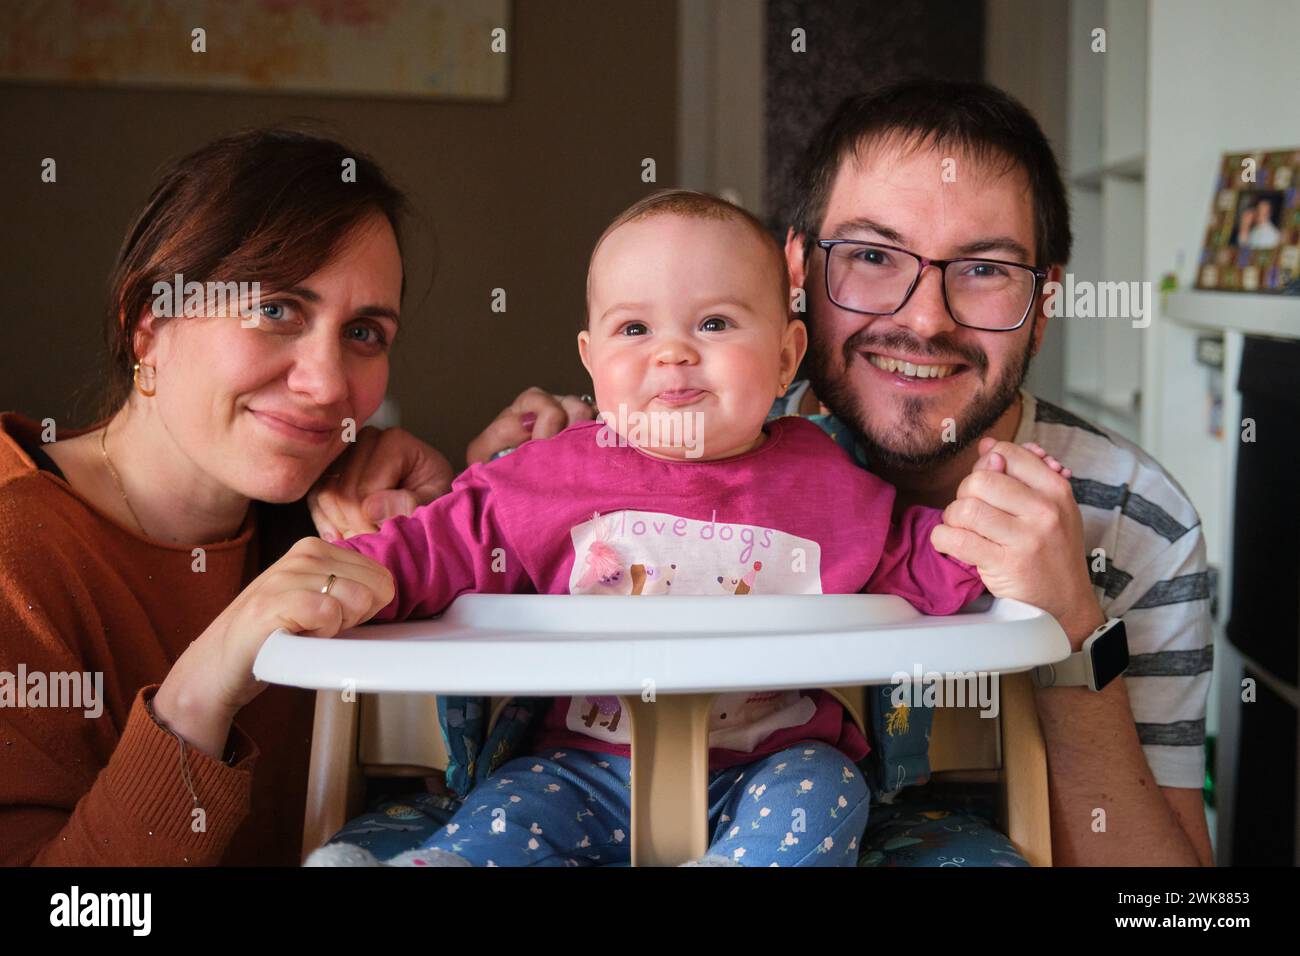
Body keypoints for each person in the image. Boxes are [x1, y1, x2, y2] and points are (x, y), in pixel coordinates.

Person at [478, 80, 1216, 866]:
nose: (925, 319)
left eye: (984, 270)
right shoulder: (658, 441)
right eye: (870, 256)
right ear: (795, 268)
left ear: (1043, 303)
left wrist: (1070, 630)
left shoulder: (1140, 520)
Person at [305, 189, 1070, 868]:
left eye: (714, 322)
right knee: (506, 814)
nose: (673, 352)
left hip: (772, 765)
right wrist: (346, 577)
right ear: (592, 361)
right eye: (633, 329)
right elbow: (441, 544)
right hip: (581, 764)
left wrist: (984, 528)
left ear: (784, 356)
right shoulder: (547, 474)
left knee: (830, 790)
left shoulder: (831, 484)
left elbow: (919, 571)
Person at [0, 128, 456, 865]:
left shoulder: (338, 529)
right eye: (276, 310)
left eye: (364, 332)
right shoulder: (15, 551)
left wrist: (499, 491)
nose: (328, 384)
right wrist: (198, 697)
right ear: (149, 326)